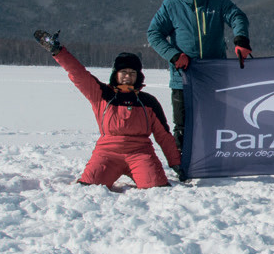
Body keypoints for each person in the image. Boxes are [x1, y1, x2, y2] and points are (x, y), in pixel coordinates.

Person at [33, 30, 181, 190]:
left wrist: (176, 163)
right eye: (123, 72)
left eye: (132, 73)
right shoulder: (102, 94)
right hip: (107, 153)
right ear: (115, 74)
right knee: (89, 187)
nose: (128, 76)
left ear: (138, 76)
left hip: (140, 153)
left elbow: (163, 135)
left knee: (156, 187)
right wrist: (58, 52)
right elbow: (78, 73)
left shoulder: (148, 102)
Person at [147, 0, 251, 153]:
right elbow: (153, 34)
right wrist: (174, 55)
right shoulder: (171, 6)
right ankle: (182, 163)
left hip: (215, 76)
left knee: (216, 122)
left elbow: (237, 16)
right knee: (183, 126)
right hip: (183, 78)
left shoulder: (217, 1)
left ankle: (215, 159)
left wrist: (241, 39)